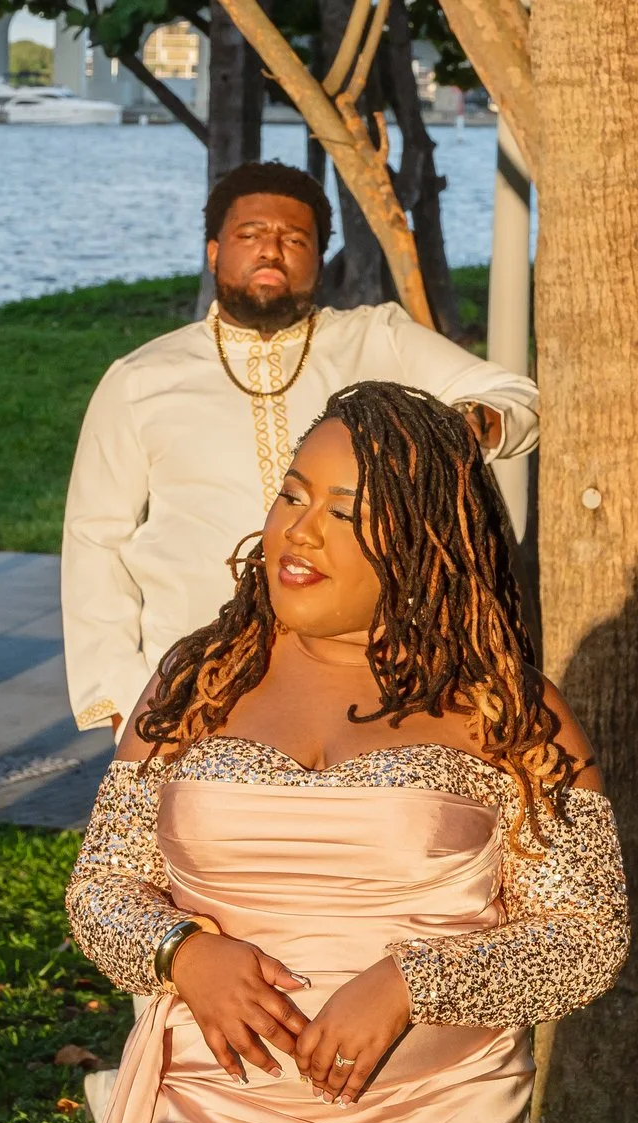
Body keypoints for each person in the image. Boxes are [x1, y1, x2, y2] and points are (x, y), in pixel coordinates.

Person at [57, 381, 627, 1123]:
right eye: (291, 494)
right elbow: (101, 887)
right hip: (206, 1118)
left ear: (418, 541)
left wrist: (414, 981)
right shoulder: (199, 677)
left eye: (342, 511)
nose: (299, 530)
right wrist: (182, 952)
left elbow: (588, 934)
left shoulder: (509, 711)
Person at [61, 161, 538, 738]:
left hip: (372, 680)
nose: (272, 250)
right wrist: (120, 699)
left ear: (318, 257)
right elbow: (95, 537)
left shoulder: (376, 338)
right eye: (251, 235)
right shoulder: (140, 379)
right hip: (194, 682)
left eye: (294, 239)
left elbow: (516, 396)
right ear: (214, 252)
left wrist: (460, 428)